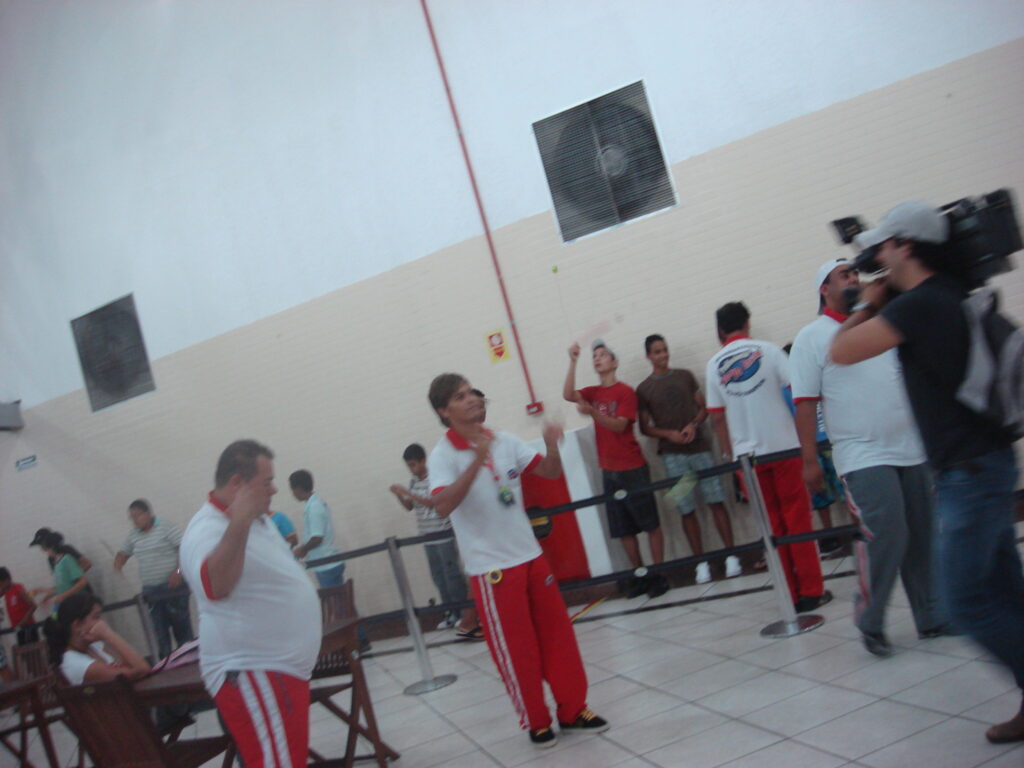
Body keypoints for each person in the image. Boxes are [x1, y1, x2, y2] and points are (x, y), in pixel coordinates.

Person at [831, 200, 1023, 743]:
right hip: (987, 463)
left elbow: (842, 350)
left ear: (906, 246)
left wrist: (868, 303)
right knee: (1005, 591)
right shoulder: (948, 295)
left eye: (884, 247)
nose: (877, 258)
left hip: (968, 472)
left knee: (966, 599)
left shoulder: (919, 304)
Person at [428, 373, 608, 748]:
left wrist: (552, 445)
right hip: (491, 568)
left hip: (531, 557)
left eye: (472, 392)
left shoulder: (505, 440)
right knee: (517, 649)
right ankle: (536, 720)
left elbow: (550, 471)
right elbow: (442, 506)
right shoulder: (442, 455)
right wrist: (476, 462)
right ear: (444, 411)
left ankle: (573, 711)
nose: (472, 398)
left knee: (558, 637)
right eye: (460, 397)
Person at [791, 259, 944, 656]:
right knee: (888, 532)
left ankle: (931, 617)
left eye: (855, 273)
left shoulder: (880, 325)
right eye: (843, 275)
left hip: (911, 447)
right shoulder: (811, 337)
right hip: (862, 453)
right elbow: (805, 403)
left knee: (923, 534)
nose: (854, 279)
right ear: (824, 289)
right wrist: (809, 460)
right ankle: (870, 620)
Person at [180, 439, 321, 767]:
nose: (274, 489)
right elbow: (215, 585)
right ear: (237, 484)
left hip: (276, 669)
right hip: (254, 667)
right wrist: (240, 521)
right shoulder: (206, 528)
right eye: (267, 481)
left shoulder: (258, 519)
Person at [705, 302, 831, 612]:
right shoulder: (771, 351)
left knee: (771, 527)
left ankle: (789, 594)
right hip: (783, 448)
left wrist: (729, 453)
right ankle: (811, 591)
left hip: (747, 459)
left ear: (720, 331)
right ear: (747, 324)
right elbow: (798, 393)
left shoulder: (713, 365)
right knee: (797, 520)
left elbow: (717, 417)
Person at [563, 340, 668, 598]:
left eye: (602, 355)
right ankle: (639, 575)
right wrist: (573, 361)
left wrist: (593, 413)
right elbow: (568, 394)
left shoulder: (625, 392)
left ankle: (659, 574)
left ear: (615, 362)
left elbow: (620, 426)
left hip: (632, 467)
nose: (597, 359)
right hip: (608, 469)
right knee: (624, 529)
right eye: (594, 356)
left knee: (650, 524)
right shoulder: (594, 392)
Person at [636, 334, 741, 584]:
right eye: (657, 351)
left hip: (700, 448)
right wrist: (668, 434)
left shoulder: (685, 376)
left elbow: (704, 408)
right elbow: (645, 427)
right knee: (686, 509)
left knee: (716, 500)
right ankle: (700, 562)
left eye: (665, 349)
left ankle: (731, 556)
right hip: (672, 456)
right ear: (649, 356)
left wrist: (693, 425)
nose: (663, 355)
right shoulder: (644, 389)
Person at [390, 443, 480, 638]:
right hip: (426, 536)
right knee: (438, 577)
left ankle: (464, 614)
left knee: (452, 575)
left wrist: (408, 493)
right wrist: (400, 496)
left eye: (413, 465)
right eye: (408, 466)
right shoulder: (414, 482)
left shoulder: (435, 477)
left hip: (442, 533)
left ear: (423, 460)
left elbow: (432, 503)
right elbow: (410, 506)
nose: (411, 469)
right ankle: (450, 613)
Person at [114, 499, 195, 660]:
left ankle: (190, 659)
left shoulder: (165, 527)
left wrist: (178, 572)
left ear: (148, 514)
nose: (135, 520)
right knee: (158, 631)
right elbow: (123, 554)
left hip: (173, 587)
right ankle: (165, 663)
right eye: (132, 517)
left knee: (181, 627)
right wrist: (119, 563)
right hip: (150, 590)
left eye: (137, 516)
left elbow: (184, 548)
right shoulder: (133, 536)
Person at [49, 592, 151, 684]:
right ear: (77, 625)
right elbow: (142, 669)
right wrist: (108, 635)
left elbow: (131, 666)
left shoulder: (93, 646)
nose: (101, 622)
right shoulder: (76, 663)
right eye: (96, 617)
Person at [289, 470, 345, 588]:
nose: (293, 494)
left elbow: (317, 538)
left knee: (333, 599)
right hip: (329, 561)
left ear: (298, 488)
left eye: (292, 490)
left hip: (325, 564)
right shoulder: (316, 504)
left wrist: (302, 549)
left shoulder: (314, 508)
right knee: (340, 597)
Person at [32, 531, 92, 613]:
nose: (43, 549)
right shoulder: (53, 561)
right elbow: (62, 583)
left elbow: (86, 567)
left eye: (43, 545)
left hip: (80, 596)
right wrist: (45, 592)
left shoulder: (66, 557)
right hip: (70, 600)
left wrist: (73, 577)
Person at [1, 567, 39, 645]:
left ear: (7, 580)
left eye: (1, 583)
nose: (0, 586)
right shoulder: (5, 590)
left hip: (28, 627)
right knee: (22, 649)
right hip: (18, 629)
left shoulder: (18, 589)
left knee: (32, 650)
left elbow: (33, 606)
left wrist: (23, 621)